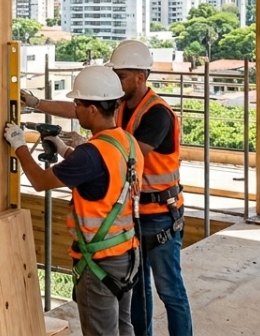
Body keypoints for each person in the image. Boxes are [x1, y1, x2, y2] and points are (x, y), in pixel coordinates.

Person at [22, 40, 192, 336]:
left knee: (170, 292)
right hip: (131, 222)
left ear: (141, 76)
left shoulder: (156, 114)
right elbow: (87, 122)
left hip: (159, 215)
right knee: (135, 300)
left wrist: (80, 149)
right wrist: (37, 105)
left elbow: (108, 160)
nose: (117, 79)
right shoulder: (119, 106)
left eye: (122, 75)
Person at [4, 66, 143, 336]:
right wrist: (65, 150)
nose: (75, 110)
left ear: (93, 109)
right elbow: (100, 173)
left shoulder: (90, 153)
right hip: (127, 253)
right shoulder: (126, 142)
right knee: (124, 328)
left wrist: (19, 144)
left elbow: (40, 181)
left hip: (99, 260)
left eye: (78, 104)